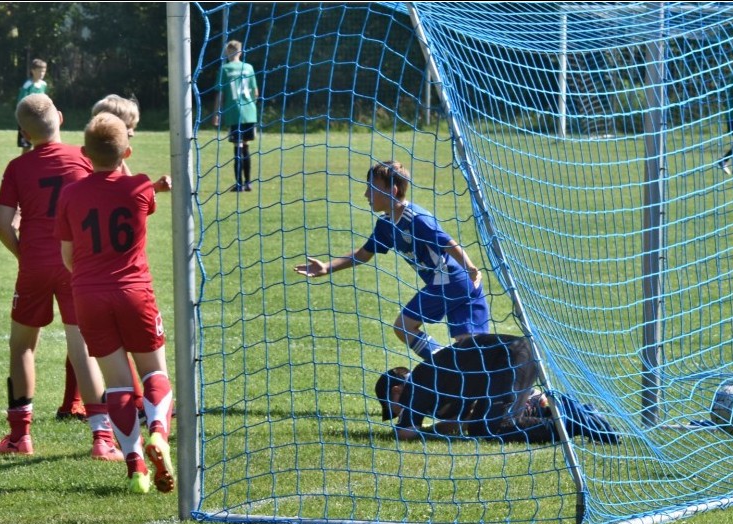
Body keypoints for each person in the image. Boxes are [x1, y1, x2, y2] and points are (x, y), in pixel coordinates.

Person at [0, 93, 120, 462]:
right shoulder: (83, 156)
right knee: (82, 348)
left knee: (22, 347)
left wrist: (23, 253)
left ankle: (19, 437)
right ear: (60, 118)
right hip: (76, 264)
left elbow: (1, 223)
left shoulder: (18, 167)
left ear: (23, 132)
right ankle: (101, 439)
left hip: (34, 265)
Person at [56, 112, 175, 494]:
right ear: (127, 150)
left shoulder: (70, 194)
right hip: (134, 291)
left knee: (117, 384)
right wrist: (150, 182)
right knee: (155, 374)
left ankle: (136, 467)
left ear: (84, 154)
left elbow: (68, 257)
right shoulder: (139, 187)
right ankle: (158, 432)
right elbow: (133, 191)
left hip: (88, 294)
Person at [294, 160, 490, 363]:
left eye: (371, 188)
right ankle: (510, 385)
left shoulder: (416, 218)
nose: (366, 195)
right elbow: (363, 254)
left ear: (393, 190)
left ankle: (443, 363)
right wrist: (327, 267)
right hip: (462, 285)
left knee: (404, 327)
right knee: (471, 352)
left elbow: (447, 242)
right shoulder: (386, 225)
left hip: (450, 281)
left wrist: (471, 268)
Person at [58, 94, 148, 421]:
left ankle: (73, 401)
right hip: (90, 261)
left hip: (82, 262)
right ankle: (135, 402)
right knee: (114, 336)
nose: (133, 135)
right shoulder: (98, 165)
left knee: (83, 333)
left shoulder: (100, 158)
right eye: (130, 128)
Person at [375, 333, 619, 444]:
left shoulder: (416, 385)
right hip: (512, 356)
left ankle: (570, 422)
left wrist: (415, 428)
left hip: (509, 358)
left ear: (397, 390)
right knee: (481, 427)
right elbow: (460, 424)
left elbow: (405, 433)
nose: (396, 413)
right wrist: (432, 429)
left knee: (497, 427)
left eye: (392, 407)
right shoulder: (433, 379)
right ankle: (569, 409)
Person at [212, 39, 259, 192]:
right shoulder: (249, 67)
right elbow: (255, 92)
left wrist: (216, 113)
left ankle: (238, 183)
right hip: (250, 113)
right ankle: (248, 182)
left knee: (238, 146)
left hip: (234, 113)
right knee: (246, 146)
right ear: (241, 52)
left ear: (227, 52)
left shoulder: (225, 69)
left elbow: (220, 94)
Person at [16, 59, 48, 154]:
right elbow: (21, 102)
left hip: (39, 119)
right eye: (39, 71)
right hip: (27, 120)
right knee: (27, 146)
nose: (42, 73)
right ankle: (22, 166)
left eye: (44, 71)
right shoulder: (28, 85)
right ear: (33, 71)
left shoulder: (43, 85)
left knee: (39, 144)